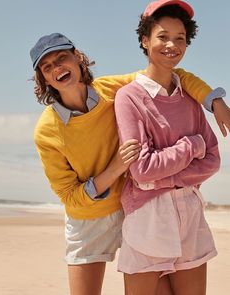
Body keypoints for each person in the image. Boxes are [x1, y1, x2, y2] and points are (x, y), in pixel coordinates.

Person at [29, 28, 228, 294]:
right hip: (89, 221)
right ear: (43, 79)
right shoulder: (46, 130)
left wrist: (214, 101)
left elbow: (172, 73)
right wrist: (116, 168)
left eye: (62, 58)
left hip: (134, 207)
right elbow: (69, 195)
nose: (57, 69)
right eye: (47, 67)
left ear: (78, 58)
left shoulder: (111, 88)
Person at [114, 1, 222, 294]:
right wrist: (192, 144)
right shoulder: (129, 97)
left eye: (180, 38)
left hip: (190, 210)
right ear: (145, 40)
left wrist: (164, 177)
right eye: (163, 36)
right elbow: (142, 168)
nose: (171, 45)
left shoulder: (190, 96)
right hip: (147, 215)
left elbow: (212, 160)